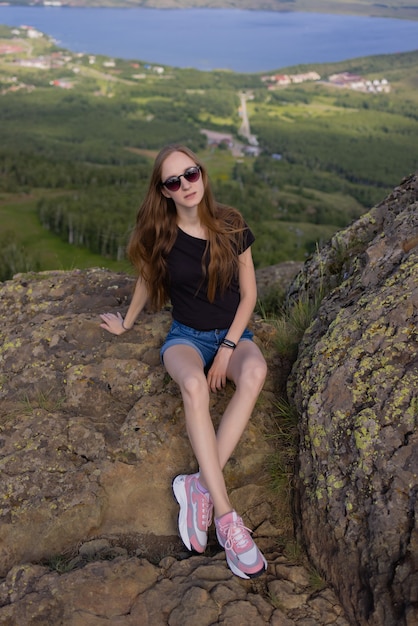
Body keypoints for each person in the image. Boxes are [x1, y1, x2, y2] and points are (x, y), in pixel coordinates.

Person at [100, 144, 268, 579]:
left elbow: (248, 295)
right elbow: (145, 279)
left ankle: (198, 485)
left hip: (234, 335)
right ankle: (228, 519)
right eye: (174, 181)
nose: (186, 185)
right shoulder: (164, 234)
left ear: (202, 174)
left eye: (190, 174)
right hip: (186, 339)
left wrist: (228, 348)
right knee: (194, 386)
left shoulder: (232, 223)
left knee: (255, 371)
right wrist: (127, 322)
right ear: (165, 191)